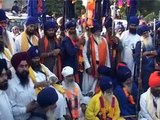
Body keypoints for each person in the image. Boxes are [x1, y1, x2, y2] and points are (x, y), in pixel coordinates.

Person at [27, 46, 67, 120]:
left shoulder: (42, 66)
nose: (37, 60)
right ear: (30, 59)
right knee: (56, 101)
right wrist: (41, 84)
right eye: (34, 58)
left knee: (61, 97)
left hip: (49, 87)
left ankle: (59, 117)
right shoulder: (27, 70)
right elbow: (29, 86)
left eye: (38, 58)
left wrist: (52, 79)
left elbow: (51, 74)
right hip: (39, 93)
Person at [6, 52, 37, 120]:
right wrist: (26, 109)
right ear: (16, 68)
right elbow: (10, 109)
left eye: (26, 66)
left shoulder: (28, 79)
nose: (25, 69)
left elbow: (33, 95)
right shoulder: (11, 86)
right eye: (21, 66)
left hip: (33, 114)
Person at [82, 21, 110, 95]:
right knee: (89, 83)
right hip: (91, 65)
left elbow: (107, 54)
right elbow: (84, 53)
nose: (98, 33)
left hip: (101, 65)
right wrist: (88, 66)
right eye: (96, 31)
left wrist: (107, 66)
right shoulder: (88, 41)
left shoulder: (104, 40)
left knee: (98, 82)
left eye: (99, 31)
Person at [61, 20, 85, 84]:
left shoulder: (75, 39)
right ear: (67, 30)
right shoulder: (66, 40)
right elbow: (71, 52)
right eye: (71, 29)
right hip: (69, 67)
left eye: (74, 28)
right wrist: (78, 44)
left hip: (76, 66)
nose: (73, 31)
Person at [135, 25, 156, 92]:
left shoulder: (154, 42)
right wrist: (145, 54)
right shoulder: (139, 44)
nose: (146, 35)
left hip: (154, 70)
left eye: (147, 32)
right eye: (144, 33)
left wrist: (148, 53)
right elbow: (137, 59)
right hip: (145, 72)